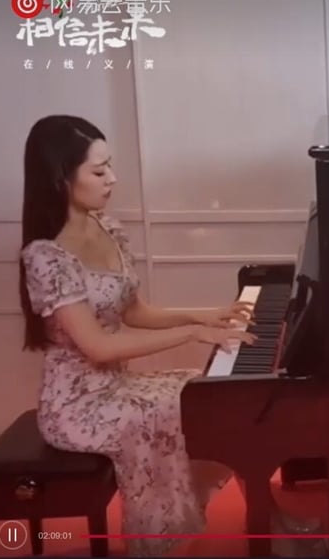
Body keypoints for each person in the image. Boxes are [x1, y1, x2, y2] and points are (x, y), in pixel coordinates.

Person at [18, 115, 257, 556]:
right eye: (98, 171)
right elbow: (98, 346)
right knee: (163, 412)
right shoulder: (46, 256)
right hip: (76, 406)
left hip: (116, 385)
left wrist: (209, 314)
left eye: (110, 166)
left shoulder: (107, 228)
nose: (112, 178)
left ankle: (266, 519)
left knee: (213, 397)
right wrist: (193, 333)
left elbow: (134, 312)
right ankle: (161, 543)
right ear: (59, 178)